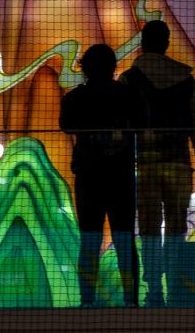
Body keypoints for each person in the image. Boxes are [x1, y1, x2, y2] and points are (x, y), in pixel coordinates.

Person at [120, 20, 195, 308]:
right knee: (175, 226)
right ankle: (175, 286)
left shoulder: (128, 79)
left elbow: (123, 128)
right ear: (167, 43)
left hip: (144, 165)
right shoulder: (185, 79)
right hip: (178, 164)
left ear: (142, 43)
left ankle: (153, 292)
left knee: (148, 228)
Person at [60, 43, 144, 307]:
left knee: (89, 239)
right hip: (121, 176)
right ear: (112, 66)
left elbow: (66, 126)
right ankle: (131, 300)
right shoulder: (129, 96)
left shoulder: (74, 98)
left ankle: (87, 300)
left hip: (88, 175)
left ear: (85, 68)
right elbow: (143, 124)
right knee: (124, 237)